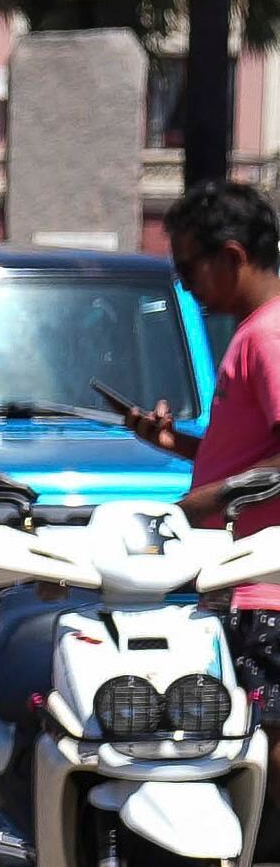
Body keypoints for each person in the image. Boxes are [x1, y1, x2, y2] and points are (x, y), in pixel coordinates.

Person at [114, 178, 280, 718]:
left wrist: (199, 505)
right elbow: (254, 451)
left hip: (265, 588)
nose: (184, 286)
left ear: (231, 257)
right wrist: (176, 443)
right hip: (243, 580)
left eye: (187, 269)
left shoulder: (268, 336)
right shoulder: (255, 332)